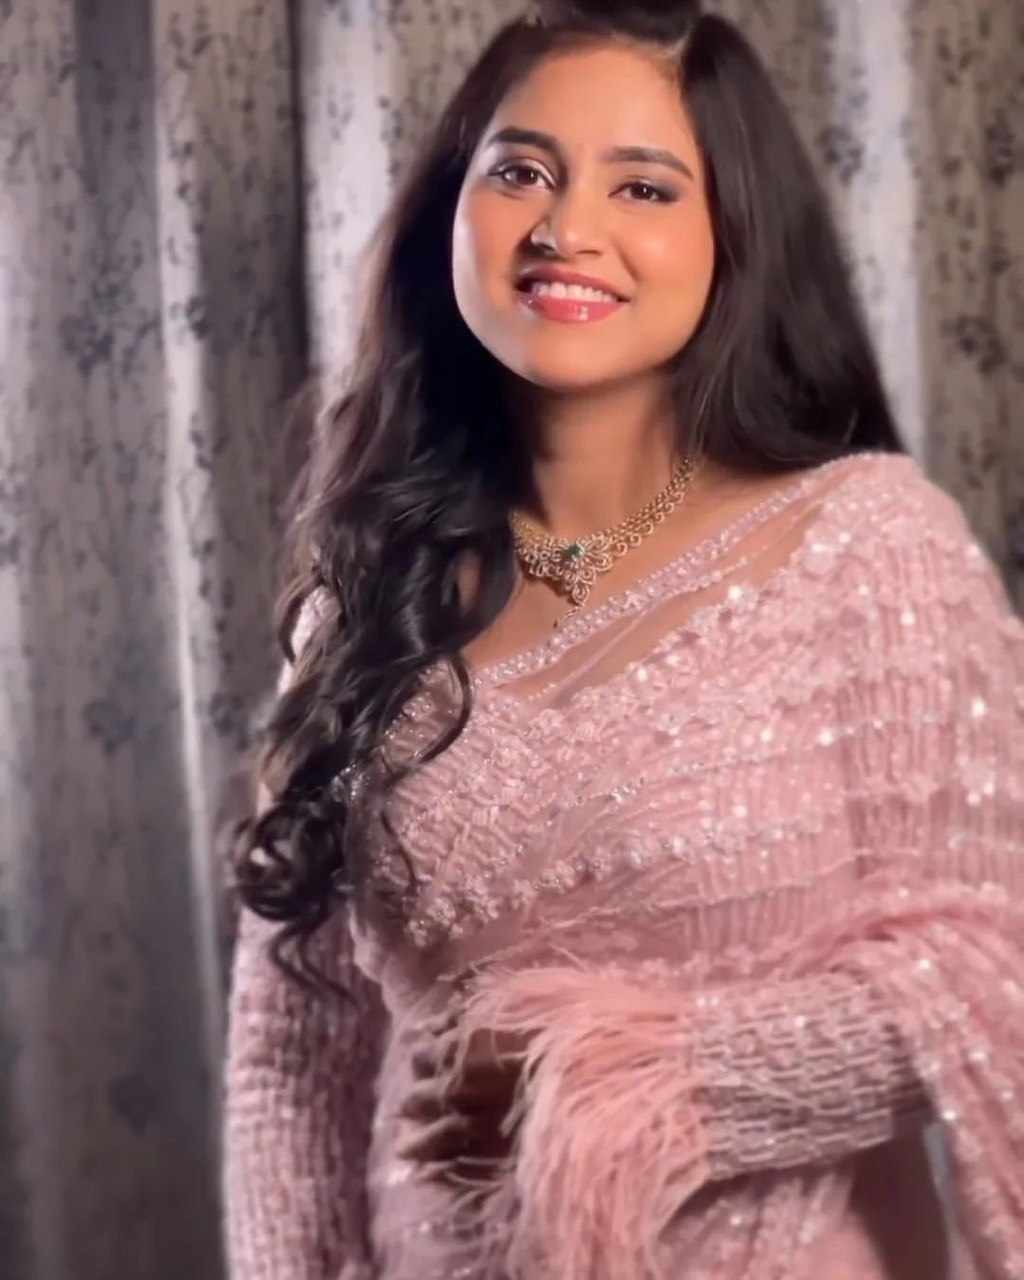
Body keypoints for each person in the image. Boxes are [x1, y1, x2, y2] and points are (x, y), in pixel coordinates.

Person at [223, 2, 1024, 1277]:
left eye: (642, 186)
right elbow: (292, 1060)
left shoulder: (866, 547)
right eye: (520, 172)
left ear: (733, 236)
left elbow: (990, 976)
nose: (564, 228)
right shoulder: (366, 598)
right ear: (450, 214)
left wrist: (621, 1076)